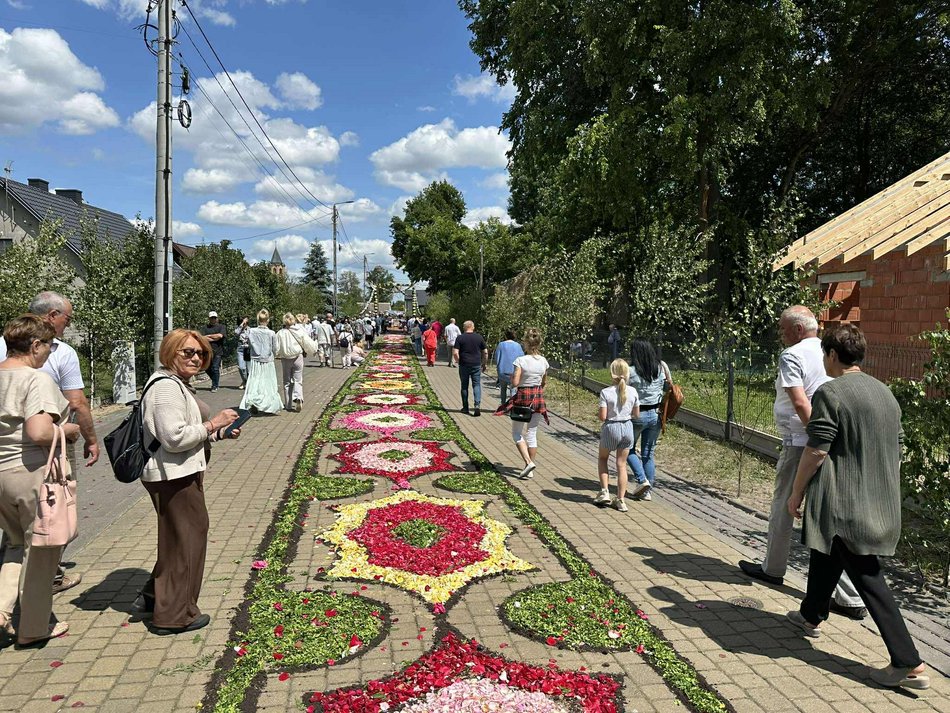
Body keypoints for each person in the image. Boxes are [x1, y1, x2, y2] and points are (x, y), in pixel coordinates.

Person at [785, 325, 929, 691]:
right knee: (828, 553)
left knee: (868, 577)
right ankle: (810, 616)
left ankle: (908, 662)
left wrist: (796, 494)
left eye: (824, 355)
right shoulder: (885, 394)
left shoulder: (830, 393)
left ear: (832, 355)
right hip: (876, 501)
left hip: (843, 504)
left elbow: (817, 449)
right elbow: (894, 451)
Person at [739, 307, 864, 616]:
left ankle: (773, 568)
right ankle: (849, 596)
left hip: (801, 443)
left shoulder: (792, 354)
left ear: (796, 329)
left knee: (785, 505)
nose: (781, 334)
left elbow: (799, 400)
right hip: (830, 442)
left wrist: (816, 435)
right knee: (830, 518)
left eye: (783, 329)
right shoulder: (828, 353)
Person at [139, 329, 240, 634]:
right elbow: (173, 437)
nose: (196, 358)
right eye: (188, 353)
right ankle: (174, 615)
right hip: (174, 474)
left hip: (179, 471)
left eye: (201, 353)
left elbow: (186, 429)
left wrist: (217, 433)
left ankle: (156, 596)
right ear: (170, 352)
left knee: (177, 539)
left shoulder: (177, 384)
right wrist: (214, 422)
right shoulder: (166, 388)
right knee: (188, 540)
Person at [0, 291, 95, 594]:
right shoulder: (50, 363)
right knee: (49, 528)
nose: (68, 323)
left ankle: (5, 607)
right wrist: (78, 434)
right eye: (68, 317)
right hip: (39, 461)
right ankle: (41, 604)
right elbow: (73, 406)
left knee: (14, 541)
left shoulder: (4, 356)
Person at [0, 315, 79, 646]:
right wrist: (69, 431)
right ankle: (33, 627)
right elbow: (39, 431)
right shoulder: (36, 380)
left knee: (15, 546)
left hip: (1, 476)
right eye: (48, 345)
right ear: (35, 346)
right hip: (31, 474)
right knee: (44, 551)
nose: (50, 352)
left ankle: (1, 611)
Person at [495, 327, 549, 478]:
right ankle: (529, 468)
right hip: (537, 398)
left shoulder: (520, 361)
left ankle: (528, 462)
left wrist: (513, 378)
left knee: (517, 433)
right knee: (532, 434)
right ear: (539, 343)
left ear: (525, 342)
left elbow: (515, 383)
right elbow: (544, 382)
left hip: (522, 398)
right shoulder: (544, 361)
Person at [624, 338, 671, 501]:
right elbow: (668, 386)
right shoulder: (661, 367)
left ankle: (642, 480)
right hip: (656, 415)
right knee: (648, 453)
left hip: (636, 415)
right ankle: (647, 490)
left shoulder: (630, 371)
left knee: (627, 449)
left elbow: (622, 393)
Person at [593, 359, 640, 512]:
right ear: (627, 374)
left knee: (603, 458)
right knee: (621, 464)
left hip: (611, 427)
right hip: (627, 427)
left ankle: (605, 492)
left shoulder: (606, 392)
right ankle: (620, 499)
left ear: (611, 373)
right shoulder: (633, 391)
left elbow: (602, 416)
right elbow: (636, 414)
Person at [240, 310, 283, 414]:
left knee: (255, 381)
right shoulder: (271, 333)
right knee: (268, 383)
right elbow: (275, 348)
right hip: (268, 361)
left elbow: (246, 341)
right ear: (268, 320)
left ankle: (253, 401)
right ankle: (268, 404)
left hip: (255, 360)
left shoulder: (252, 331)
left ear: (258, 319)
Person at [275, 313, 315, 412]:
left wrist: (277, 355)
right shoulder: (299, 331)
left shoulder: (280, 333)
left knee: (287, 382)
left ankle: (288, 404)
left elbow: (276, 347)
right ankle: (298, 398)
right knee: (298, 380)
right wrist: (313, 350)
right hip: (298, 357)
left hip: (285, 359)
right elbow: (307, 342)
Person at [453, 321, 488, 416]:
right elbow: (485, 352)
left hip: (464, 365)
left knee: (464, 386)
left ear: (464, 328)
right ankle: (477, 405)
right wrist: (484, 363)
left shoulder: (460, 338)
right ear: (473, 327)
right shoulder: (479, 337)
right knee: (476, 385)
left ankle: (465, 407)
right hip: (476, 364)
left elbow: (455, 352)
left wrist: (458, 361)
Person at [493, 330, 524, 405]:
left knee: (503, 389)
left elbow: (496, 357)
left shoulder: (501, 345)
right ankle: (511, 406)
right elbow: (522, 358)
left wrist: (497, 366)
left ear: (506, 336)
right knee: (513, 390)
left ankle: (503, 404)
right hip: (514, 371)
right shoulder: (518, 346)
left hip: (502, 370)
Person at [200, 312, 226, 392]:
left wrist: (209, 337)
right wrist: (214, 337)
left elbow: (220, 336)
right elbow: (202, 338)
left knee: (215, 368)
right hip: (207, 351)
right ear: (209, 318)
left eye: (214, 318)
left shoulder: (221, 327)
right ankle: (215, 380)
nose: (213, 319)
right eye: (211, 318)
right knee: (206, 368)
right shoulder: (205, 328)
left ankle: (215, 385)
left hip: (217, 351)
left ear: (217, 318)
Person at [234, 316, 251, 389]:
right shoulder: (239, 329)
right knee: (241, 367)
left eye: (246, 323)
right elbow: (236, 333)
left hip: (248, 348)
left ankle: (248, 383)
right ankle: (245, 380)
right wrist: (241, 325)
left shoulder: (250, 330)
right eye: (243, 322)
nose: (245, 324)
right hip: (240, 348)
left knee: (249, 368)